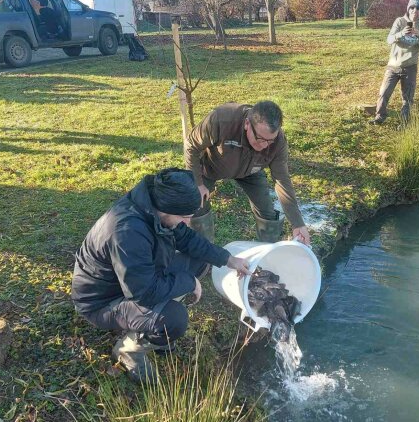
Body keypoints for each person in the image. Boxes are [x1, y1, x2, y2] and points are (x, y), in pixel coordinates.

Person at [71, 168, 251, 382]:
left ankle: (152, 320)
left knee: (201, 259)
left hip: (130, 280)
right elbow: (143, 292)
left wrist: (228, 259)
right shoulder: (128, 232)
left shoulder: (155, 206)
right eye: (184, 217)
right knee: (174, 319)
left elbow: (187, 239)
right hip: (102, 302)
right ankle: (130, 349)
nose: (187, 222)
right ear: (167, 210)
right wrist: (188, 282)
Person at [185, 101, 311, 245]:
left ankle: (267, 254)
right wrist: (197, 183)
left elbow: (282, 180)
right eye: (260, 139)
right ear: (247, 124)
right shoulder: (223, 119)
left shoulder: (278, 142)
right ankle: (203, 255)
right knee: (196, 203)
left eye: (269, 141)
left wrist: (298, 223)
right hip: (211, 166)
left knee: (267, 212)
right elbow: (191, 145)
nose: (264, 145)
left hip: (251, 171)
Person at [370, 0, 419, 125]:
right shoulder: (399, 21)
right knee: (384, 93)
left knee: (407, 98)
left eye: (418, 8)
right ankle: (380, 117)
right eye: (412, 7)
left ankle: (403, 122)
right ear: (408, 8)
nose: (415, 11)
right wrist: (401, 33)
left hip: (410, 67)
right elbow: (389, 39)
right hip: (393, 66)